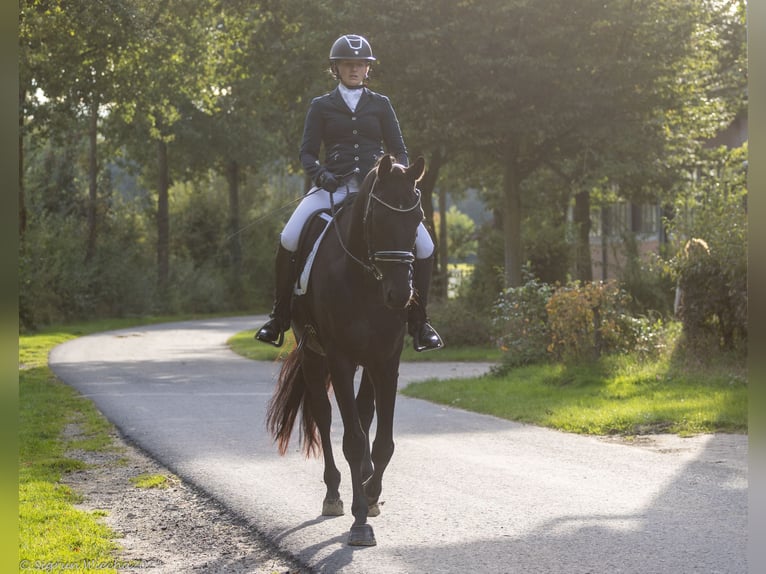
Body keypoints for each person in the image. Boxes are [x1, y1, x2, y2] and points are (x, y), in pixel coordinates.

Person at [255, 34, 443, 352]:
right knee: (289, 237)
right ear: (336, 68)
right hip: (332, 187)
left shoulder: (381, 105)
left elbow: (399, 149)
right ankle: (279, 317)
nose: (354, 69)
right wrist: (320, 174)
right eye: (347, 64)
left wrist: (400, 179)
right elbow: (307, 153)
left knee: (424, 246)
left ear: (367, 69)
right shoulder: (321, 106)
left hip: (377, 192)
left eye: (360, 65)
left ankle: (420, 323)